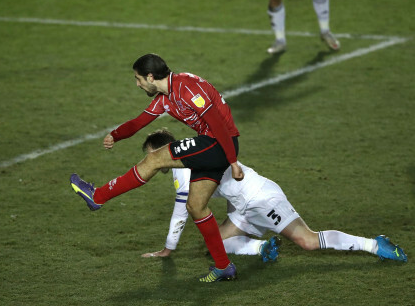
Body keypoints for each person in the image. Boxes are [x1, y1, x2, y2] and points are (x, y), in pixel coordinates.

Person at [70, 53, 244, 283]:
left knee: (154, 159)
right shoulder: (165, 97)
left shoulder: (187, 88)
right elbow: (138, 122)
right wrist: (115, 135)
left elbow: (218, 125)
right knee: (195, 206)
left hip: (219, 143)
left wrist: (233, 162)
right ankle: (224, 266)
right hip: (212, 145)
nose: (137, 84)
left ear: (150, 77)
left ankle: (98, 196)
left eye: (138, 79)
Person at [140, 129, 408, 263]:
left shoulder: (183, 170)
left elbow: (181, 211)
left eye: (152, 155)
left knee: (307, 241)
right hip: (243, 206)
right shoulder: (193, 150)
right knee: (216, 244)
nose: (150, 162)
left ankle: (374, 244)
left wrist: (168, 249)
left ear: (163, 151)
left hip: (261, 199)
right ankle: (261, 248)